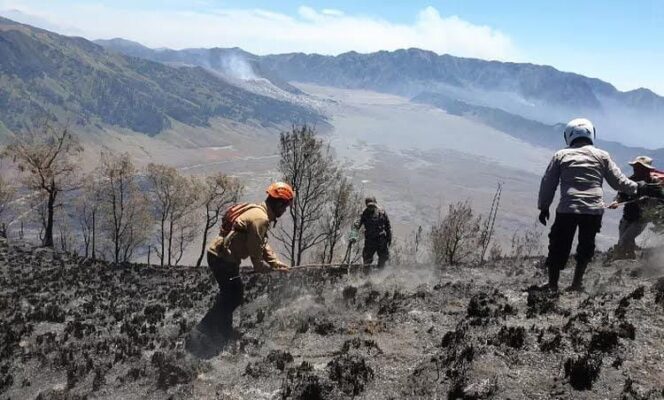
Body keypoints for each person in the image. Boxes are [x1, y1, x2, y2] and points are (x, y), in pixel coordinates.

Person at [537, 118, 654, 292]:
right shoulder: (602, 155)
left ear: (568, 136)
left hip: (567, 209)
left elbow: (548, 183)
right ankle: (577, 284)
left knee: (558, 245)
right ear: (591, 134)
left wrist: (544, 207)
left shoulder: (561, 155)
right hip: (593, 210)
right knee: (586, 246)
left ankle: (552, 284)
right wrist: (638, 188)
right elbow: (619, 182)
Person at [186, 182, 293, 358]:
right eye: (285, 207)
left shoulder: (258, 212)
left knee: (230, 294)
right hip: (223, 259)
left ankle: (223, 333)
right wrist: (261, 268)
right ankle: (200, 332)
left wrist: (275, 263)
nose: (285, 211)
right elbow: (255, 248)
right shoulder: (261, 218)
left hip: (220, 256)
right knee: (233, 295)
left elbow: (259, 242)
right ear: (279, 204)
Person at [608, 156, 657, 259]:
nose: (635, 170)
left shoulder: (653, 183)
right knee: (625, 241)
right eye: (635, 167)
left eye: (639, 167)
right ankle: (631, 259)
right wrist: (616, 202)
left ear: (646, 170)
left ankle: (618, 262)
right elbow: (621, 195)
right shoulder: (630, 181)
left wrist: (647, 201)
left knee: (624, 241)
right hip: (627, 217)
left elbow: (660, 199)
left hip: (641, 219)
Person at [355, 196, 392, 268]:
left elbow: (388, 226)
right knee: (367, 260)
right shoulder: (364, 213)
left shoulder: (382, 212)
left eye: (373, 205)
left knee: (383, 259)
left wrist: (389, 237)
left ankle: (380, 274)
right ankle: (366, 276)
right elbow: (356, 225)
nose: (371, 207)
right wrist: (353, 235)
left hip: (381, 241)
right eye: (369, 205)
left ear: (375, 203)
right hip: (370, 241)